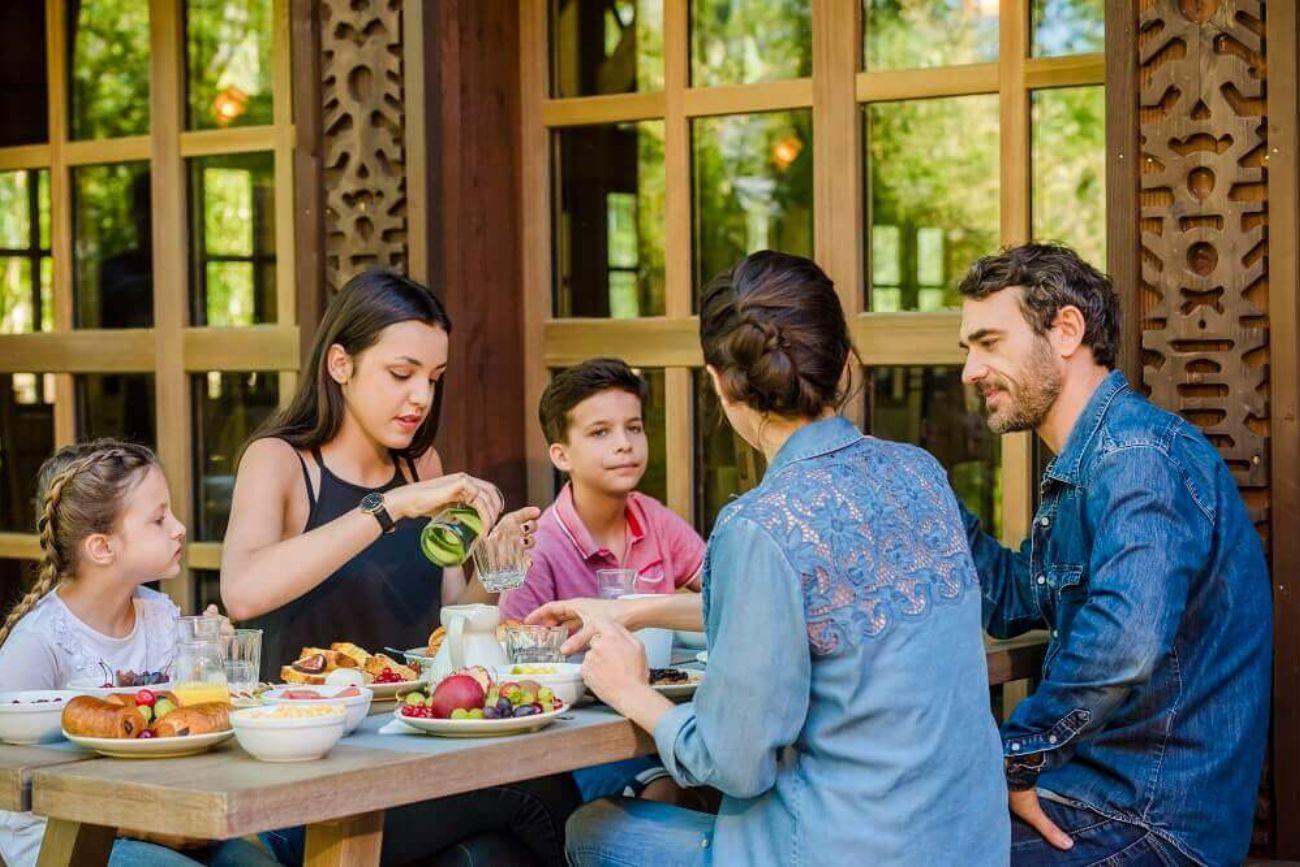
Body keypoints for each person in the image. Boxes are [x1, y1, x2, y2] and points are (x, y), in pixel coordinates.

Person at [558, 250, 1009, 865]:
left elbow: (734, 765)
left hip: (836, 851)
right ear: (843, 359)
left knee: (594, 828)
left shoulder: (761, 525)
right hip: (969, 844)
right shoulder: (919, 472)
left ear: (718, 382)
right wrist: (637, 611)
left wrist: (630, 690)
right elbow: (819, 606)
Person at [218, 269, 576, 866]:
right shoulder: (279, 462)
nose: (421, 398)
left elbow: (445, 624)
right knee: (536, 790)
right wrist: (388, 508)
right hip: (306, 779)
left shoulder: (419, 466)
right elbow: (243, 593)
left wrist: (495, 567)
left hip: (411, 754)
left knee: (493, 856)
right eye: (401, 374)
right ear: (340, 364)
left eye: (433, 379)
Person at [955, 243, 1271, 865]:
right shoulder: (1096, 462)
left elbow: (1123, 644)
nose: (969, 370)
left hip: (1148, 821)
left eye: (988, 342)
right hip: (1091, 797)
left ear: (1066, 330)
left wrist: (1013, 760)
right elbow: (1017, 598)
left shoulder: (1137, 461)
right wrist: (927, 508)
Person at [0, 441, 274, 867]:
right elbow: (9, 793)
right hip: (60, 838)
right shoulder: (39, 642)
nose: (179, 527)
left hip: (164, 816)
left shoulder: (160, 618)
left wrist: (211, 663)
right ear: (102, 547)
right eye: (159, 519)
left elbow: (184, 731)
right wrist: (145, 826)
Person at [501, 358, 705, 806]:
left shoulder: (656, 520)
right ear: (561, 455)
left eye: (633, 428)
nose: (624, 445)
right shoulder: (542, 546)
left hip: (661, 711)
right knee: (662, 787)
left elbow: (724, 597)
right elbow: (510, 661)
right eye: (600, 433)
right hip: (582, 730)